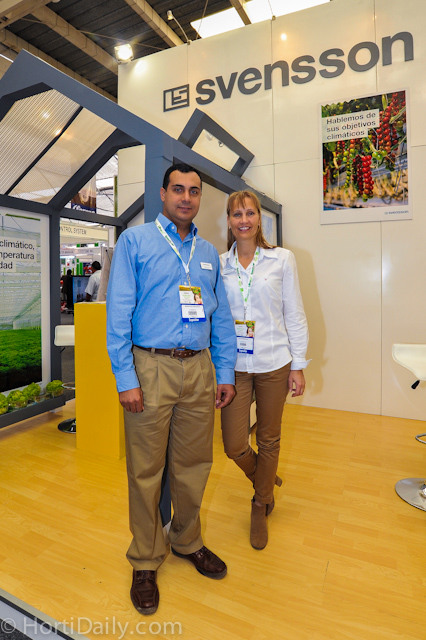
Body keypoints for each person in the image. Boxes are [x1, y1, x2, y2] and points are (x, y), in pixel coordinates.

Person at [106, 163, 236, 616]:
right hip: (151, 367)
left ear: (200, 198)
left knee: (194, 464)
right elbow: (118, 314)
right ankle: (145, 559)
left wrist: (225, 372)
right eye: (178, 189)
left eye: (194, 191)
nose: (186, 197)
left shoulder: (208, 252)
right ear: (162, 194)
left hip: (198, 369)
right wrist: (126, 378)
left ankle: (186, 539)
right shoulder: (136, 242)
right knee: (146, 470)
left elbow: (221, 317)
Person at [220, 190, 309, 551]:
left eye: (250, 213)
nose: (244, 220)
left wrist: (298, 365)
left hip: (275, 362)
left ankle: (260, 504)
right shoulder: (220, 265)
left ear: (259, 218)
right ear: (229, 221)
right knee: (234, 444)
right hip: (235, 366)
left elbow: (294, 313)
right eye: (236, 214)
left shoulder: (282, 259)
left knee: (269, 438)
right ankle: (265, 480)